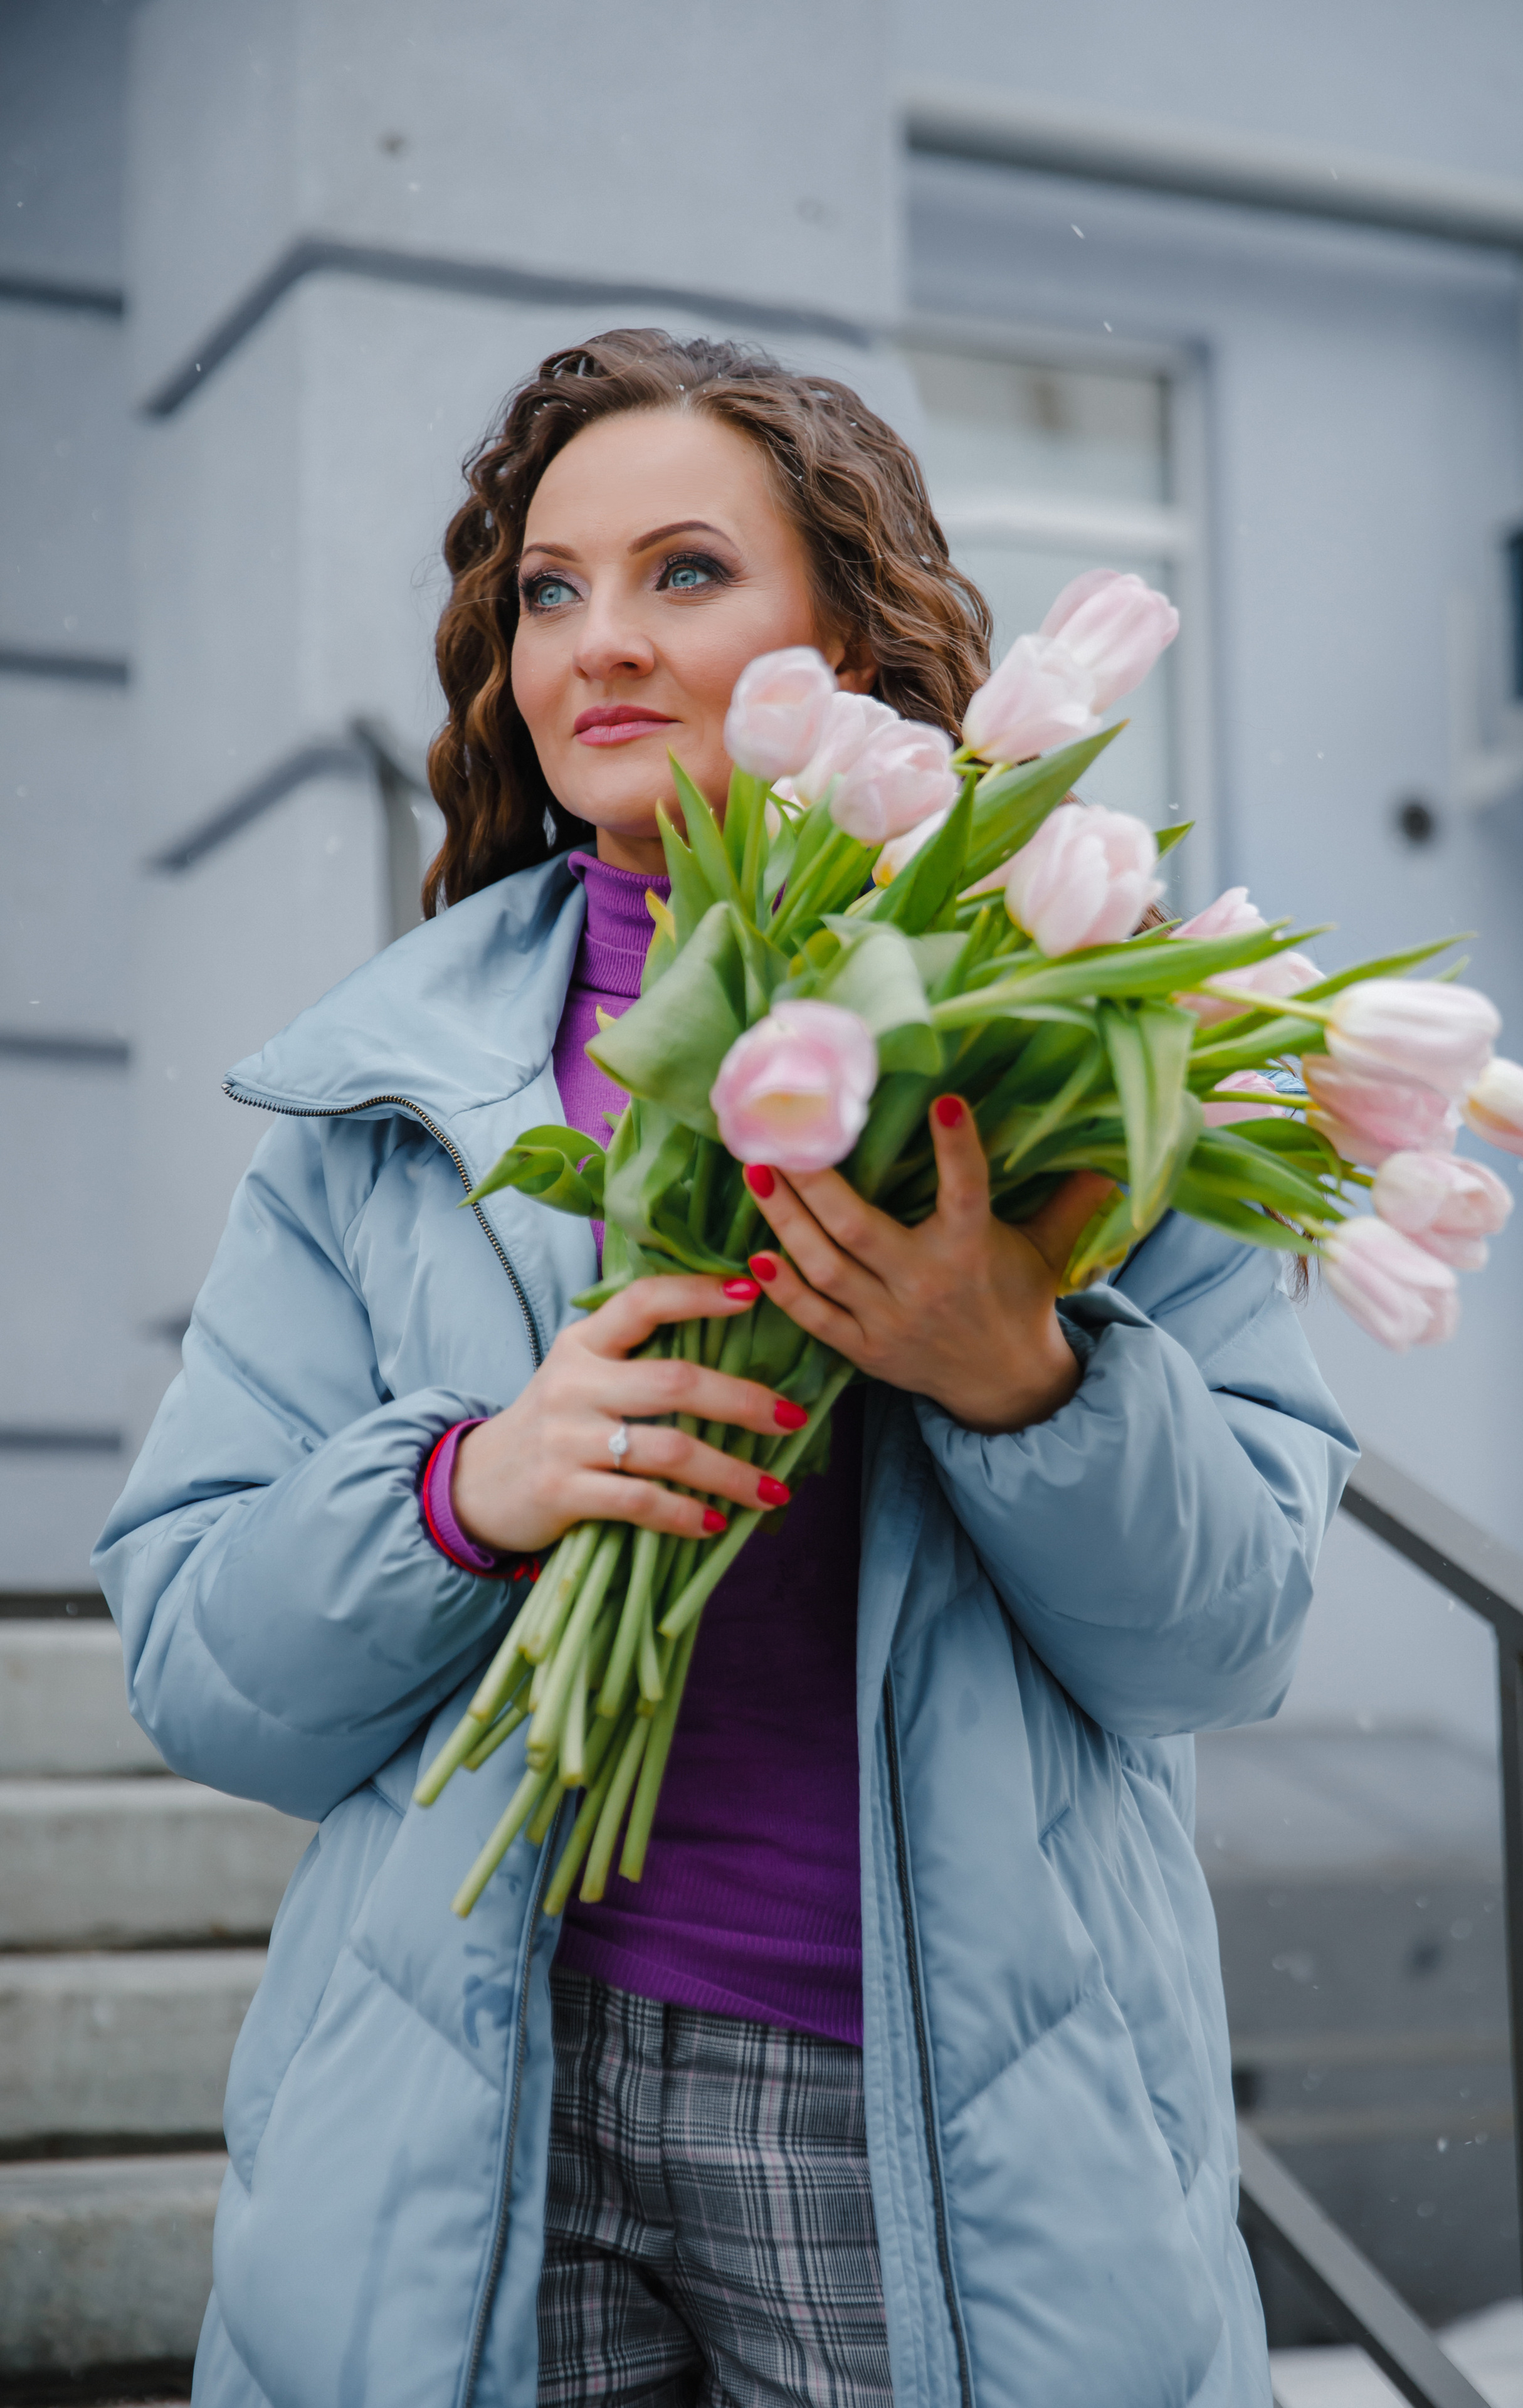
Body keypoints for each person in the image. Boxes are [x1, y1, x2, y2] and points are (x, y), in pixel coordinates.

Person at [96, 328, 1356, 2408]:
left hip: (917, 2106)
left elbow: (1223, 1640)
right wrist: (469, 1494)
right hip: (469, 2091)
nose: (599, 641)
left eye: (684, 571)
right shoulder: (377, 1104)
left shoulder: (1080, 1043)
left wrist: (1018, 1376)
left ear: (848, 634)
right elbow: (203, 1671)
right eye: (549, 590)